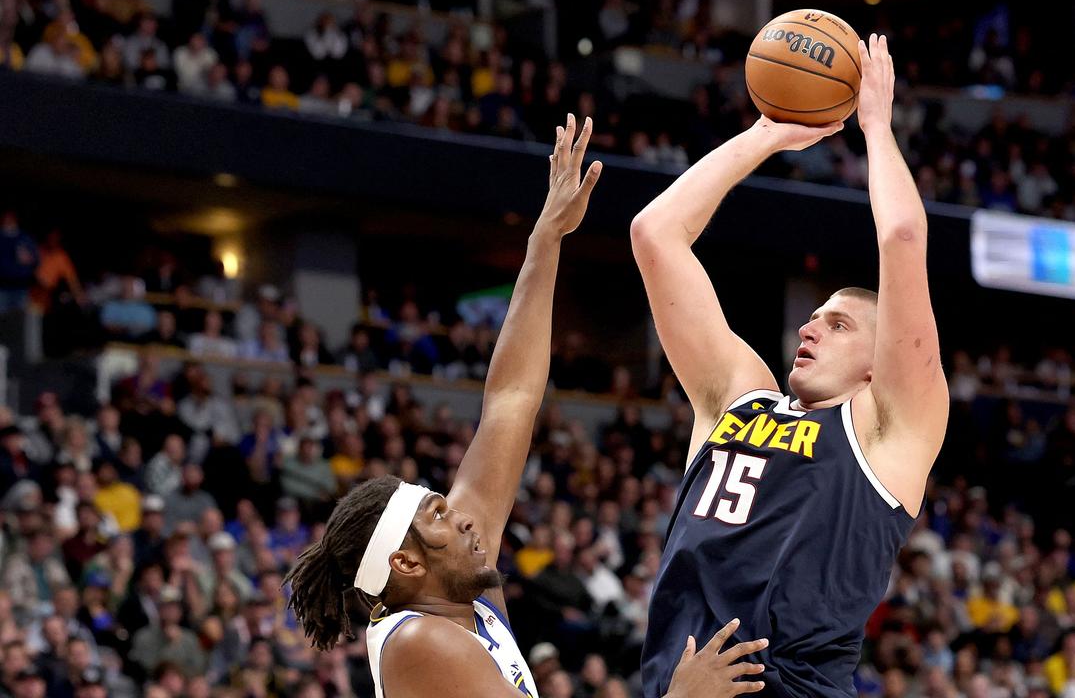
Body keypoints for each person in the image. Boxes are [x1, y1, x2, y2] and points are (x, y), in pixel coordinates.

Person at [286, 115, 766, 698]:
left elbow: (511, 401)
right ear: (407, 565)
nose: (462, 515)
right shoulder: (418, 640)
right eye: (438, 516)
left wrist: (546, 238)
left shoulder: (457, 587)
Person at [631, 34, 949, 697]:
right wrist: (767, 133)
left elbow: (902, 237)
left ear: (876, 364)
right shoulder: (738, 398)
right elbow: (654, 235)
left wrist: (876, 128)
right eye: (813, 316)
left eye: (838, 324)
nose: (810, 326)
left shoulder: (889, 434)